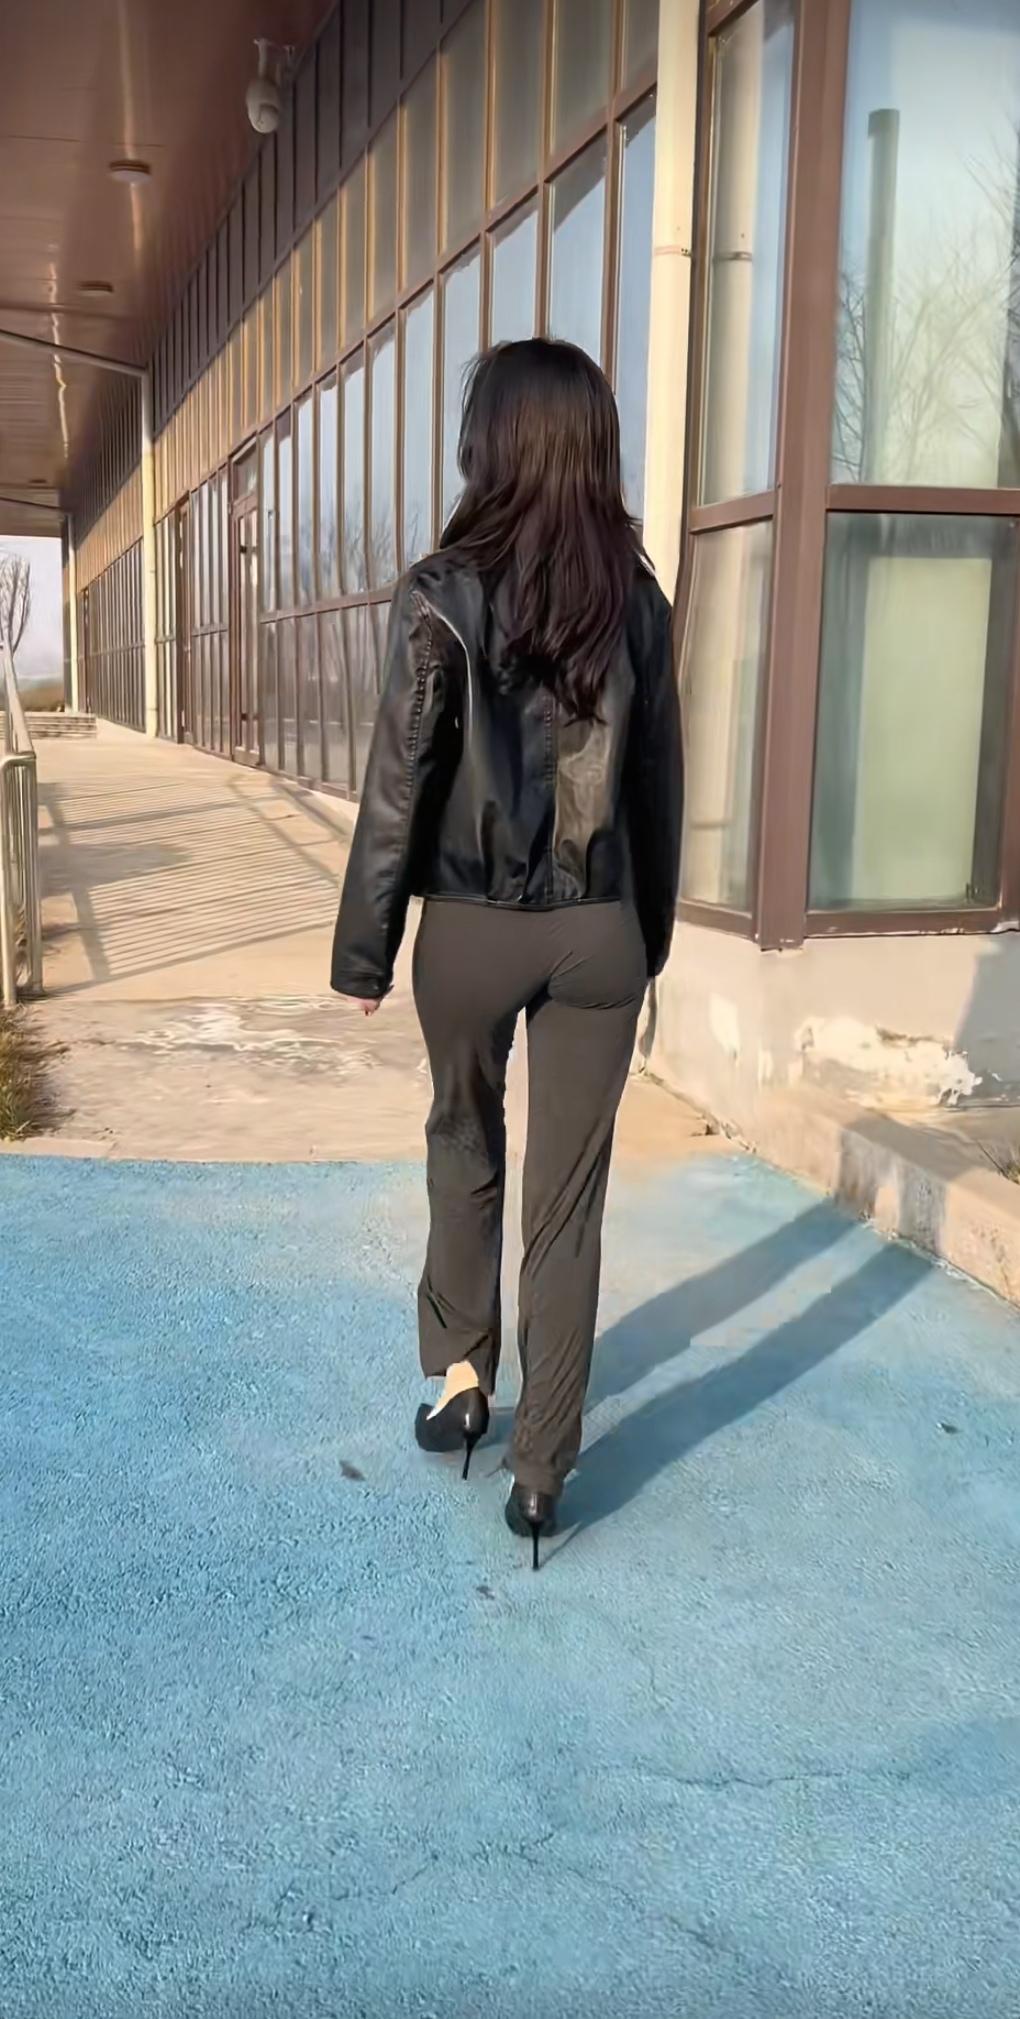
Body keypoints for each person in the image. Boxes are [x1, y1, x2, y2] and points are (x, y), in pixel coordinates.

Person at [331, 337, 682, 1568]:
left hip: (469, 929)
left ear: (493, 445)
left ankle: (463, 1381)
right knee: (568, 1202)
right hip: (600, 928)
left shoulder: (442, 590)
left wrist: (367, 952)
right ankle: (543, 1474)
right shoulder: (637, 601)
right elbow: (657, 789)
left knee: (462, 1140)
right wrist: (649, 940)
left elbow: (401, 780)